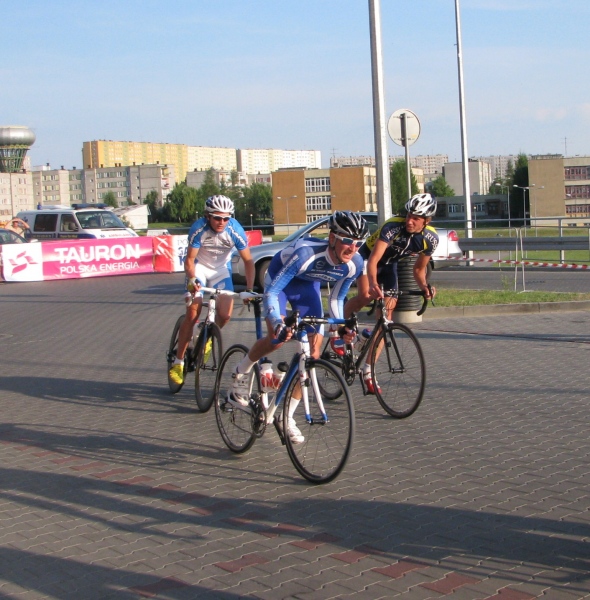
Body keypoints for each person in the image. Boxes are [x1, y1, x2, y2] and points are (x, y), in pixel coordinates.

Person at [227, 211, 369, 443]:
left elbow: (336, 299)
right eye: (347, 240)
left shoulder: (355, 263)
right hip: (280, 283)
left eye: (358, 243)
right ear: (332, 238)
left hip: (307, 288)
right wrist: (277, 321)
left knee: (313, 354)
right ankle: (241, 372)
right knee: (277, 339)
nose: (353, 248)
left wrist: (341, 327)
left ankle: (287, 416)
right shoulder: (305, 254)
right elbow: (272, 292)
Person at [342, 193, 438, 394]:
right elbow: (374, 260)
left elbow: (419, 269)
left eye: (415, 218)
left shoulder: (430, 239)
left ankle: (368, 371)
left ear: (426, 221)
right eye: (408, 215)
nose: (409, 221)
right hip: (366, 259)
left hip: (390, 266)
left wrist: (425, 287)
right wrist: (374, 284)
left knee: (386, 318)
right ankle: (339, 329)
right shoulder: (392, 226)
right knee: (366, 295)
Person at [168, 195, 255, 385]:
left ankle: (207, 338)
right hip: (199, 268)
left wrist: (249, 289)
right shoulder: (199, 228)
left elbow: (248, 261)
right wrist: (192, 279)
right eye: (217, 218)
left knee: (225, 315)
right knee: (193, 313)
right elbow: (189, 260)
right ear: (208, 216)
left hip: (221, 271)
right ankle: (178, 361)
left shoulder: (235, 230)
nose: (222, 222)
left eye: (226, 218)